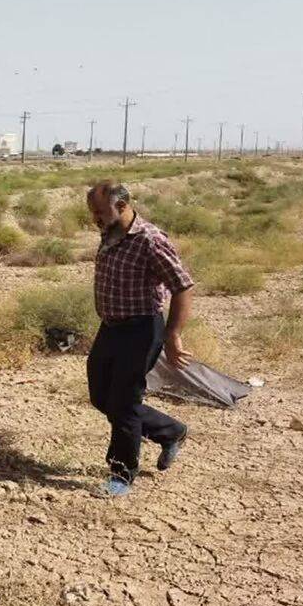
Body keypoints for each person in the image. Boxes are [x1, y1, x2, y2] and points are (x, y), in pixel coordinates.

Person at [86, 181, 195, 497]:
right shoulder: (110, 231)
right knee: (101, 395)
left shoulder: (150, 240)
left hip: (141, 330)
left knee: (124, 402)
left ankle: (121, 475)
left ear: (121, 206)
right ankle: (170, 431)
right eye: (91, 212)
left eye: (99, 212)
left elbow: (183, 286)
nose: (95, 218)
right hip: (111, 327)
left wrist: (173, 335)